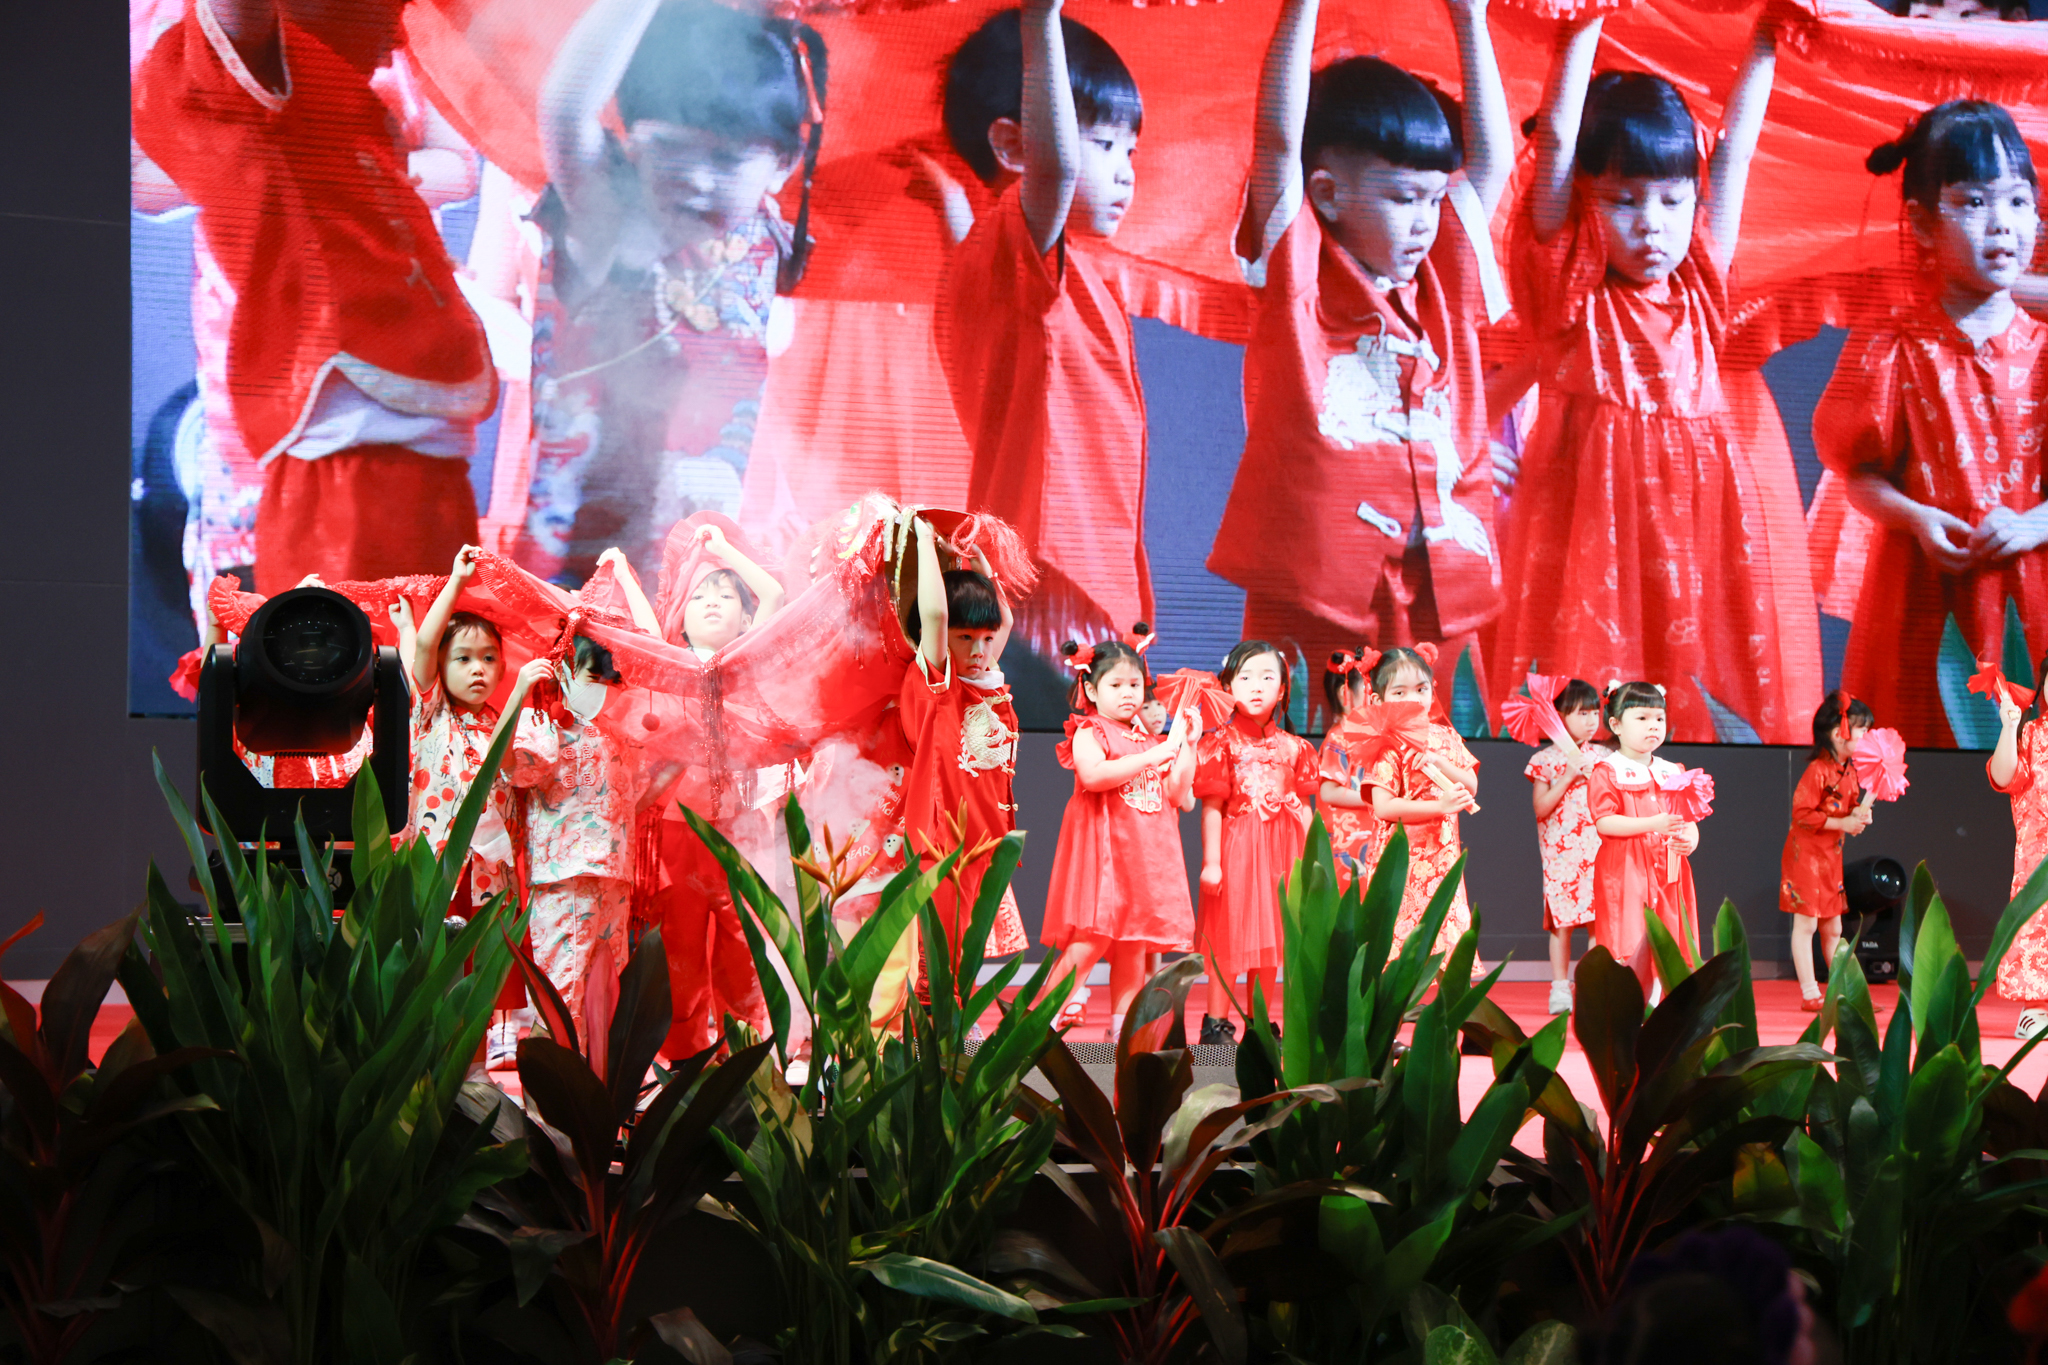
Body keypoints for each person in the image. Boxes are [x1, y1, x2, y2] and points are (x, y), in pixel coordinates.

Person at [1493, 17, 1817, 746]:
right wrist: (1583, 25)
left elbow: (1734, 153)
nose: (1652, 225)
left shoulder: (1699, 280)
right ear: (1585, 200)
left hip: (1701, 522)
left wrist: (1768, 37)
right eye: (1624, 200)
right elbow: (1555, 146)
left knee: (1696, 690)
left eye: (1673, 201)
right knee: (1594, 698)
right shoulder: (1571, 288)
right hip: (1595, 523)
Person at [131, 0, 497, 596]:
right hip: (348, 434)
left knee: (430, 643)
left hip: (408, 431)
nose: (398, 35)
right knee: (353, 640)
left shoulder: (353, 103)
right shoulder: (262, 80)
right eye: (385, 7)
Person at [1208, 0, 1513, 704]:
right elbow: (1277, 142)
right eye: (1404, 198)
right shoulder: (1300, 274)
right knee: (1308, 755)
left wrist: (1471, 19)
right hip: (1321, 582)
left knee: (1437, 761)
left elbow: (1493, 161)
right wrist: (1300, 9)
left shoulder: (1447, 275)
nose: (1426, 221)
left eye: (1435, 199)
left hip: (1437, 582)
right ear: (1327, 193)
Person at [523, 0, 825, 583]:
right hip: (578, 574)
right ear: (631, 142)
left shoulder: (766, 236)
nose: (696, 178)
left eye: (726, 158)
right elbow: (564, 109)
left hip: (695, 575)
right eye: (668, 147)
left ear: (784, 164)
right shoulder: (610, 213)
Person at [1813, 101, 2045, 748]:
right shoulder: (1891, 344)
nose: (2002, 223)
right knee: (1920, 758)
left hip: (2034, 591)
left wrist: (2031, 525)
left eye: (2018, 201)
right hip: (1920, 595)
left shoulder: (2044, 349)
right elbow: (1860, 475)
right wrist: (1915, 518)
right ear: (1921, 221)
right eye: (1973, 203)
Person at [934, 1, 1152, 654]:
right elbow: (1053, 170)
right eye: (1104, 144)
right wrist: (1042, 17)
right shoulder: (1019, 245)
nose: (1127, 170)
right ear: (1014, 145)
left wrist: (944, 195)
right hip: (1050, 572)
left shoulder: (1036, 261)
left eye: (1130, 149)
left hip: (1084, 569)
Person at [607, 515, 789, 1058]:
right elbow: (644, 632)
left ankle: (749, 1058)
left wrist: (724, 550)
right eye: (699, 595)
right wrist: (623, 573)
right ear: (680, 617)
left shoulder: (747, 661)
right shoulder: (668, 666)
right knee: (679, 948)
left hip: (741, 829)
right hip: (676, 829)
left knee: (744, 944)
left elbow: (774, 594)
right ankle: (684, 1062)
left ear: (746, 617)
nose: (712, 603)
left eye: (726, 596)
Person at [502, 638, 665, 1039]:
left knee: (605, 994)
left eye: (613, 681)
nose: (605, 689)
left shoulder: (621, 734)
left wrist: (681, 759)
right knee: (562, 989)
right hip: (565, 878)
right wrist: (518, 694)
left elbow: (635, 800)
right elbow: (506, 766)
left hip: (614, 877)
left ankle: (595, 1078)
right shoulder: (544, 725)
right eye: (594, 677)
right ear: (563, 672)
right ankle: (552, 1077)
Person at [1039, 635, 1199, 1041]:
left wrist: (1189, 747)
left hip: (1142, 858)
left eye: (1135, 684)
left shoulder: (1150, 739)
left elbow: (1178, 795)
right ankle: (1036, 1024)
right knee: (1090, 939)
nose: (1128, 693)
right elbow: (1092, 775)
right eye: (1116, 685)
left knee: (1133, 945)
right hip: (1106, 855)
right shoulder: (1090, 730)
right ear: (1091, 690)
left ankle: (1122, 1033)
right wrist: (1149, 757)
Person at [900, 518, 1031, 987]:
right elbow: (936, 616)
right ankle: (937, 1023)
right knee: (938, 954)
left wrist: (983, 572)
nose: (980, 650)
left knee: (964, 948)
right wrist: (923, 542)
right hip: (943, 840)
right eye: (965, 638)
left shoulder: (985, 681)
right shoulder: (940, 684)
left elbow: (1003, 622)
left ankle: (953, 1018)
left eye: (986, 639)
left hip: (985, 838)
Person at [1194, 640, 1321, 1043]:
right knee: (1229, 939)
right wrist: (1211, 862)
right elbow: (1212, 808)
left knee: (1272, 940)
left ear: (1282, 689)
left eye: (1267, 678)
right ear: (1227, 686)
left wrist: (1313, 861)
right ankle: (1216, 1023)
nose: (1256, 686)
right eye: (1245, 677)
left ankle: (1260, 1023)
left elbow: (1304, 809)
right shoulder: (1221, 743)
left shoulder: (1297, 747)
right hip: (1238, 853)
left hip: (1284, 854)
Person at [1354, 645, 1482, 962]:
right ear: (1378, 700)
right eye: (1400, 692)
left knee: (1447, 941)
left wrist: (1438, 761)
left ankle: (1447, 996)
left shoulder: (1446, 737)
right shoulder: (1385, 744)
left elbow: (1471, 785)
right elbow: (1384, 807)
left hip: (1443, 859)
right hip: (1400, 862)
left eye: (1421, 689)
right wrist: (1440, 807)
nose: (1414, 699)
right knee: (1399, 951)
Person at [1588, 682, 1701, 994]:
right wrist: (1654, 824)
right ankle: (1634, 1008)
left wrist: (1689, 840)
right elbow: (1605, 822)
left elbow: (1688, 820)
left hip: (1669, 872)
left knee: (1670, 938)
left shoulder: (1673, 771)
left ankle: (1666, 1009)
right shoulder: (1607, 771)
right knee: (1631, 938)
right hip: (1626, 870)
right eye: (1642, 718)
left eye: (1659, 718)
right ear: (1616, 725)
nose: (1653, 726)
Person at [1782, 692, 1875, 1012]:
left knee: (1833, 928)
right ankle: (1810, 994)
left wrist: (1859, 815)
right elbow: (1802, 815)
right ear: (1839, 733)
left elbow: (1849, 808)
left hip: (1830, 857)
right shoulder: (1817, 770)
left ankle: (1845, 991)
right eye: (1863, 730)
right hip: (1806, 858)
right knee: (1806, 925)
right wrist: (1843, 822)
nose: (1867, 736)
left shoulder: (1850, 770)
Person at [1524, 678, 1610, 1014]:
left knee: (1598, 921)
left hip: (1599, 849)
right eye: (1581, 713)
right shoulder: (1544, 759)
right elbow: (1541, 808)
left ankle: (1593, 986)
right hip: (1560, 855)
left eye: (1594, 713)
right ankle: (1560, 988)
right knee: (1562, 923)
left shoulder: (1605, 757)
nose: (1591, 721)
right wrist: (1570, 774)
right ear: (1558, 716)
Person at [1990, 668, 2048, 1038]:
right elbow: (2003, 777)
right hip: (2039, 860)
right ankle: (2036, 1009)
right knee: (2037, 927)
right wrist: (2009, 728)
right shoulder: (2033, 734)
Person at [1317, 651, 1379, 888]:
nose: (1373, 696)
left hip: (1369, 835)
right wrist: (1375, 799)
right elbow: (1329, 792)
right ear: (1345, 693)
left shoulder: (1368, 736)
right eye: (1367, 689)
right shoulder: (1337, 738)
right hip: (1347, 842)